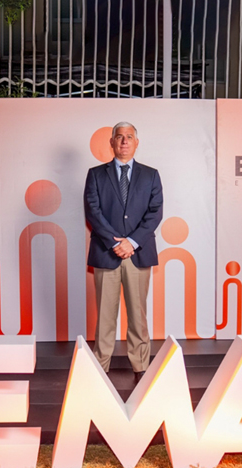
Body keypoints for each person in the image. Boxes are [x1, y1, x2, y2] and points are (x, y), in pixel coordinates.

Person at [84, 122, 163, 381]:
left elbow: (155, 213)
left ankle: (141, 367)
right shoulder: (96, 174)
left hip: (137, 254)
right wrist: (115, 242)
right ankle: (100, 368)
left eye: (129, 137)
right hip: (106, 252)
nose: (125, 141)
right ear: (112, 142)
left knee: (138, 315)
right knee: (105, 315)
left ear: (136, 142)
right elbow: (93, 211)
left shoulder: (151, 175)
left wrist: (132, 241)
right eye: (119, 137)